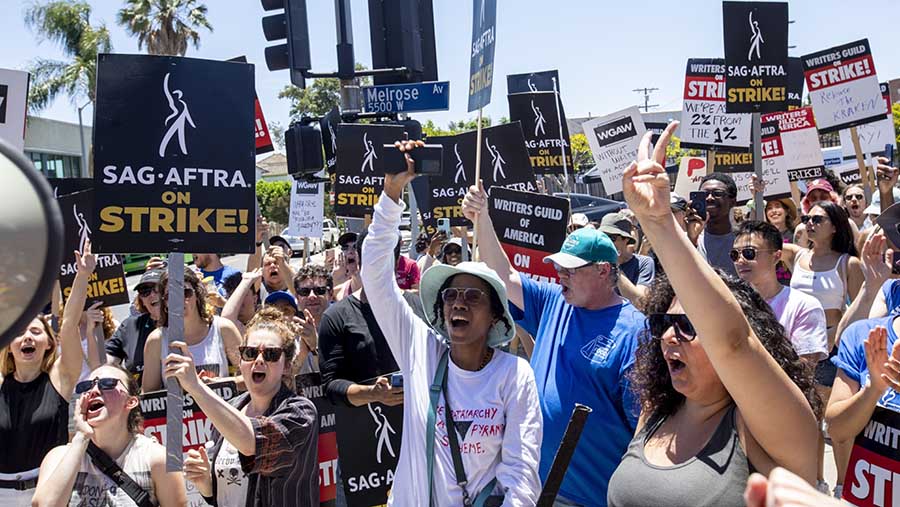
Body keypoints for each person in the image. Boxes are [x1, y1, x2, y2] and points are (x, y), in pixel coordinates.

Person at [606, 122, 819, 506]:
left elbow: (733, 343)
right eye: (665, 324)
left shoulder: (763, 429)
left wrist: (660, 224)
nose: (670, 336)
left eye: (689, 325)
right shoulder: (658, 410)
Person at [360, 142, 542, 505]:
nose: (458, 302)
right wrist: (392, 193)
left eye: (473, 296)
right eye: (450, 295)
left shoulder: (515, 375)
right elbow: (376, 275)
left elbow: (521, 475)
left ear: (494, 315)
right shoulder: (419, 347)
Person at [464, 173, 643, 505]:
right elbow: (504, 276)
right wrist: (482, 218)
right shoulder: (553, 301)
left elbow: (645, 431)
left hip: (594, 497)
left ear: (604, 271)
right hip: (537, 487)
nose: (560, 276)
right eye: (559, 268)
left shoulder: (635, 331)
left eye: (571, 270)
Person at [171, 307, 319, 507]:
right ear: (240, 361)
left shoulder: (300, 412)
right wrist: (205, 482)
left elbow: (253, 444)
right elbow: (228, 492)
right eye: (249, 353)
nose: (259, 360)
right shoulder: (232, 407)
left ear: (286, 365)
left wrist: (195, 387)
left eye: (271, 354)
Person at [0, 244, 93, 505]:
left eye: (36, 332)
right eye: (19, 332)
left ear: (49, 344)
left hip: (49, 491)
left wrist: (83, 275)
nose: (27, 337)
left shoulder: (60, 379)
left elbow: (69, 322)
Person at [31, 365, 187, 506]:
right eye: (86, 386)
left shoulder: (156, 459)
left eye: (107, 383)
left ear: (131, 402)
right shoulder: (59, 457)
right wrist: (81, 437)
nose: (94, 391)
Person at [319, 230, 406, 407]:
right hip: (364, 429)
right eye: (371, 258)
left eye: (384, 258)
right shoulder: (336, 317)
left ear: (396, 261)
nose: (377, 266)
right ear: (358, 260)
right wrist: (372, 393)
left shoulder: (417, 310)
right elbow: (331, 385)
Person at [731, 221, 828, 364]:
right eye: (734, 254)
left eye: (749, 253)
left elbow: (805, 372)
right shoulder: (729, 303)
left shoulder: (804, 306)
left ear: (776, 256)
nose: (740, 260)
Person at [141, 269, 242, 392]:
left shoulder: (223, 329)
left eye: (185, 293)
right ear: (165, 303)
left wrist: (218, 384)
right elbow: (149, 396)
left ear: (197, 295)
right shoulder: (156, 340)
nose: (179, 300)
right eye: (171, 296)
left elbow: (249, 379)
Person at [105, 269, 163, 382]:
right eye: (145, 291)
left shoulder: (184, 320)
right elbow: (106, 364)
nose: (152, 294)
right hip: (144, 397)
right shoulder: (129, 326)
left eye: (158, 288)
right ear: (141, 300)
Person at [600, 211, 655, 307]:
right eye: (603, 237)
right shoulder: (596, 264)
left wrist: (614, 266)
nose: (606, 242)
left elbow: (640, 302)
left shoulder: (644, 263)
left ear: (625, 239)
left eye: (612, 238)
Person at [697, 173, 739, 277]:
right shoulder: (689, 239)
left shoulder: (743, 240)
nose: (710, 198)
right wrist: (691, 238)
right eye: (705, 194)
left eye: (718, 193)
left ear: (732, 201)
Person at [332, 232, 361, 301]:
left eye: (355, 247)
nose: (350, 251)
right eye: (345, 247)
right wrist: (335, 282)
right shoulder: (337, 275)